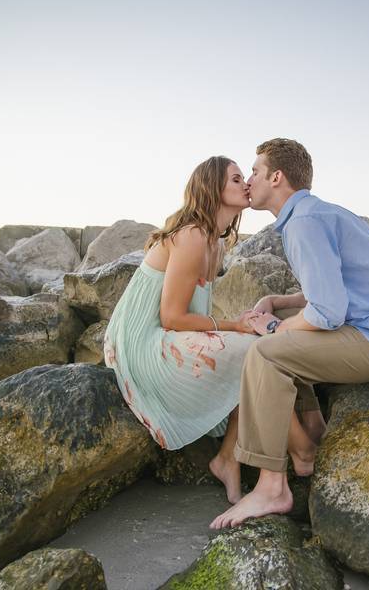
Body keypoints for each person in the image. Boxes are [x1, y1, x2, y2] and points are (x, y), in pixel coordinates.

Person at [211, 139, 369, 529]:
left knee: (265, 353)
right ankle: (310, 428)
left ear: (277, 177)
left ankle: (271, 487)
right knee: (285, 330)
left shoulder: (304, 223)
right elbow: (331, 292)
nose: (251, 181)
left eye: (256, 172)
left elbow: (328, 312)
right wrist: (278, 302)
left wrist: (274, 328)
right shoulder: (313, 214)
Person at [103, 156, 259, 504]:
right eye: (236, 179)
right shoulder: (192, 236)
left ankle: (227, 460)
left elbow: (192, 311)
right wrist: (234, 326)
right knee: (254, 352)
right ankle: (294, 453)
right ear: (213, 188)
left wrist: (242, 325)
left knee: (256, 350)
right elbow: (172, 316)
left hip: (167, 332)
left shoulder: (216, 242)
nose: (246, 183)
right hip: (142, 341)